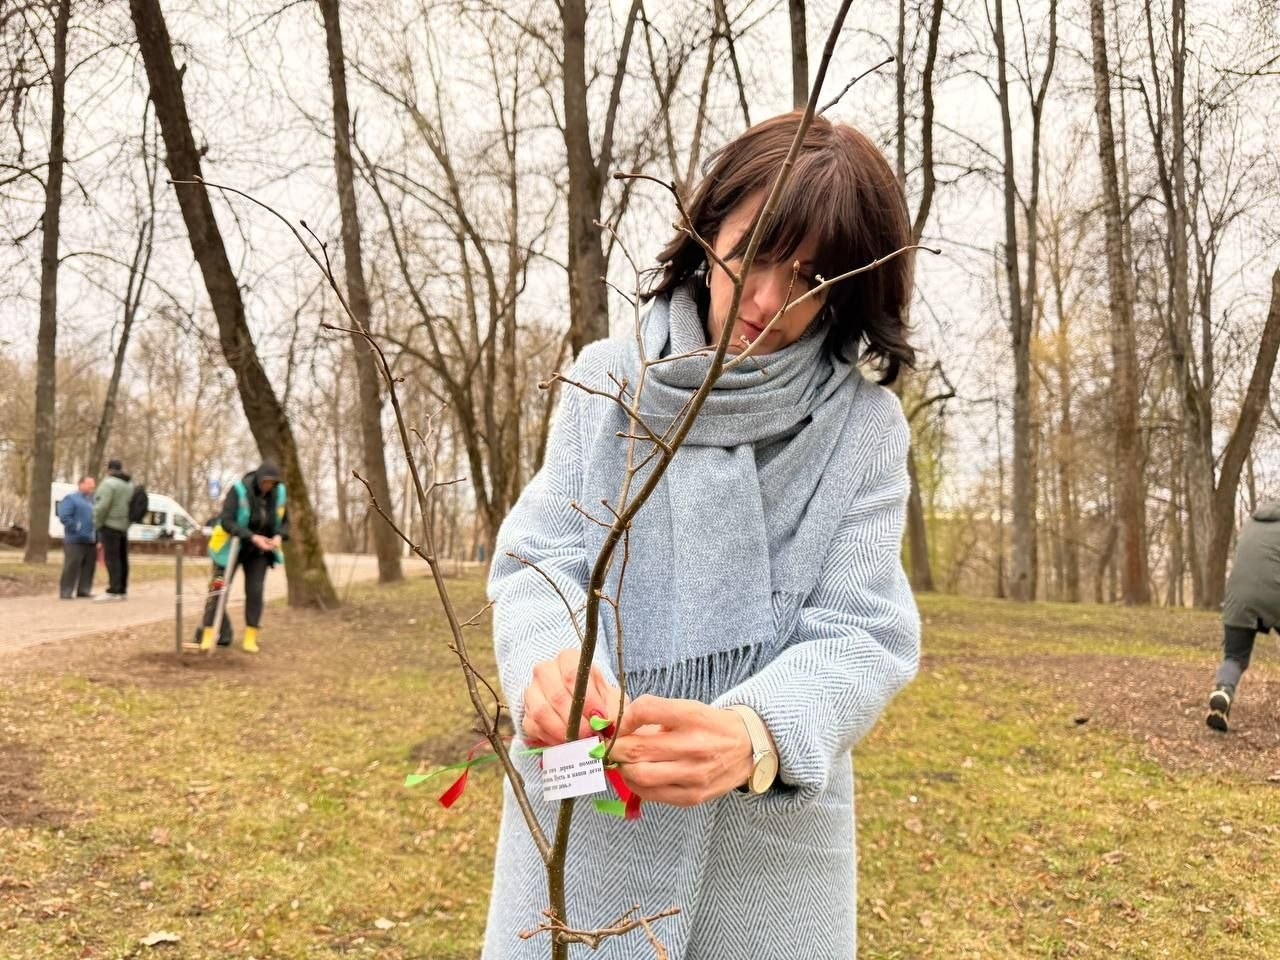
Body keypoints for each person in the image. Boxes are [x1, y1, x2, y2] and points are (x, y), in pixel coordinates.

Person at [484, 110, 921, 958]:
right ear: (708, 224)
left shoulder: (863, 429)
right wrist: (549, 665)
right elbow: (541, 561)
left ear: (848, 291)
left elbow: (863, 631)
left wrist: (757, 732)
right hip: (586, 825)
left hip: (768, 861)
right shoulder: (608, 383)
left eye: (810, 277)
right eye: (755, 250)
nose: (767, 299)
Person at [199, 461, 288, 653]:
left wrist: (279, 535)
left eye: (273, 483)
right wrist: (251, 536)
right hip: (229, 547)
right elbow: (226, 521)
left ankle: (250, 636)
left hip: (259, 552)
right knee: (218, 588)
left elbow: (284, 521)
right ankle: (207, 634)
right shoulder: (238, 490)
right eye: (266, 482)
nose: (269, 487)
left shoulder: (279, 494)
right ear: (258, 479)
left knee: (255, 591)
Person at [1206, 500, 1280, 731]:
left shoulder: (1251, 522)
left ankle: (1223, 691)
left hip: (1238, 596)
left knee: (1234, 656)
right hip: (1275, 593)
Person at [92, 459, 134, 602]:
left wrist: (97, 523)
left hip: (110, 525)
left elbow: (102, 506)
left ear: (109, 470)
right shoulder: (129, 485)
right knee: (122, 558)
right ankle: (122, 589)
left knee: (112, 558)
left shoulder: (108, 484)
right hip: (124, 526)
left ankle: (113, 590)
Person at [57, 475, 97, 599]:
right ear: (81, 484)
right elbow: (64, 516)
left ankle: (84, 590)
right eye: (89, 483)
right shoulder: (71, 499)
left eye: (93, 484)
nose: (92, 486)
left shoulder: (93, 500)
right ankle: (66, 591)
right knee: (72, 566)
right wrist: (76, 528)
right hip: (75, 540)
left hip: (91, 539)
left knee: (89, 566)